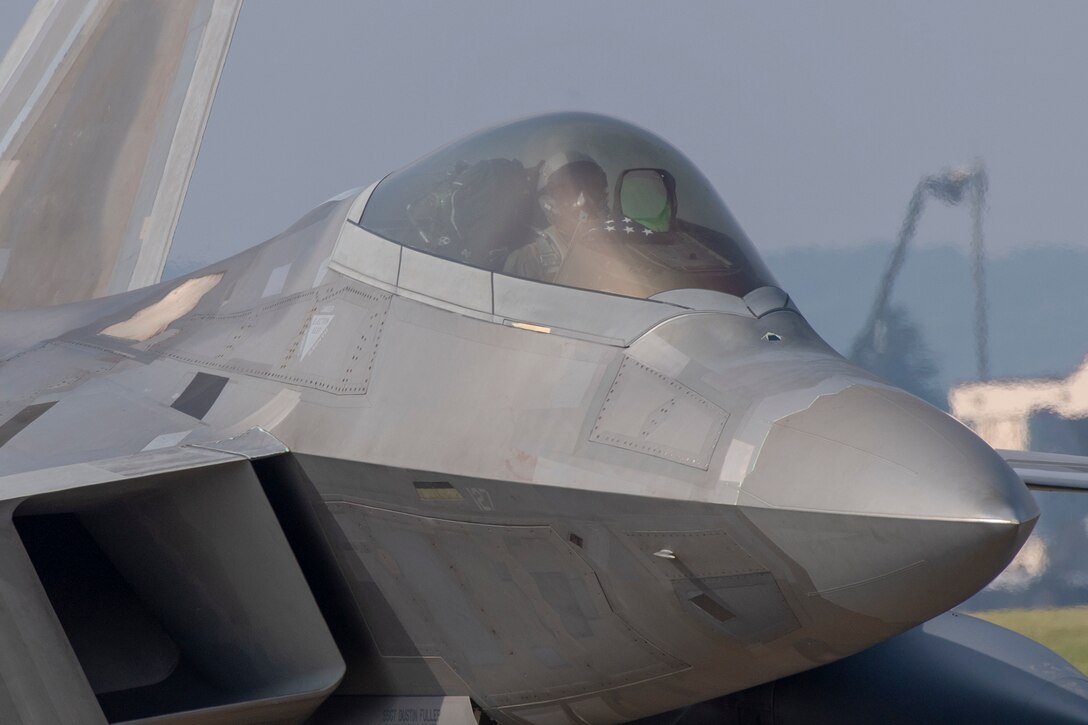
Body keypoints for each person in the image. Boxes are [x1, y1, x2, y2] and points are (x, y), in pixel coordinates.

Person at [502, 152, 610, 283]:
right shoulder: (529, 260)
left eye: (592, 188)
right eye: (568, 191)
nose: (584, 200)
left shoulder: (620, 243)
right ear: (547, 201)